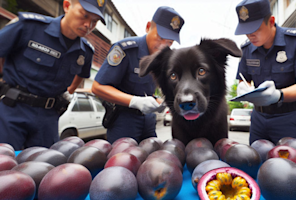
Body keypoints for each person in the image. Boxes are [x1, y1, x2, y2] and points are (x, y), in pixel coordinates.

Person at [0, 0, 107, 150]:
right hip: (12, 110)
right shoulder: (29, 26)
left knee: (42, 167)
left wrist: (68, 92)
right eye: (84, 16)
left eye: (94, 21)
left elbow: (81, 76)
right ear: (67, 6)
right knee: (5, 164)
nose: (88, 25)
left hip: (48, 118)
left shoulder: (86, 51)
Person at [91, 6, 185, 144]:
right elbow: (98, 87)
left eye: (169, 42)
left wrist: (157, 101)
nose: (163, 46)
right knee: (122, 160)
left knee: (151, 159)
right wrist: (134, 101)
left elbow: (146, 91)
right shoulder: (125, 49)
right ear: (148, 27)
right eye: (160, 38)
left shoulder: (161, 60)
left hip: (148, 120)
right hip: (124, 120)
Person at [234, 0, 296, 145]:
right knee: (256, 161)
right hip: (258, 119)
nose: (250, 35)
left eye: (255, 29)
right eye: (246, 31)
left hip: (287, 117)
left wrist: (279, 95)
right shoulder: (247, 49)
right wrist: (243, 87)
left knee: (293, 162)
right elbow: (244, 79)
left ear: (271, 21)